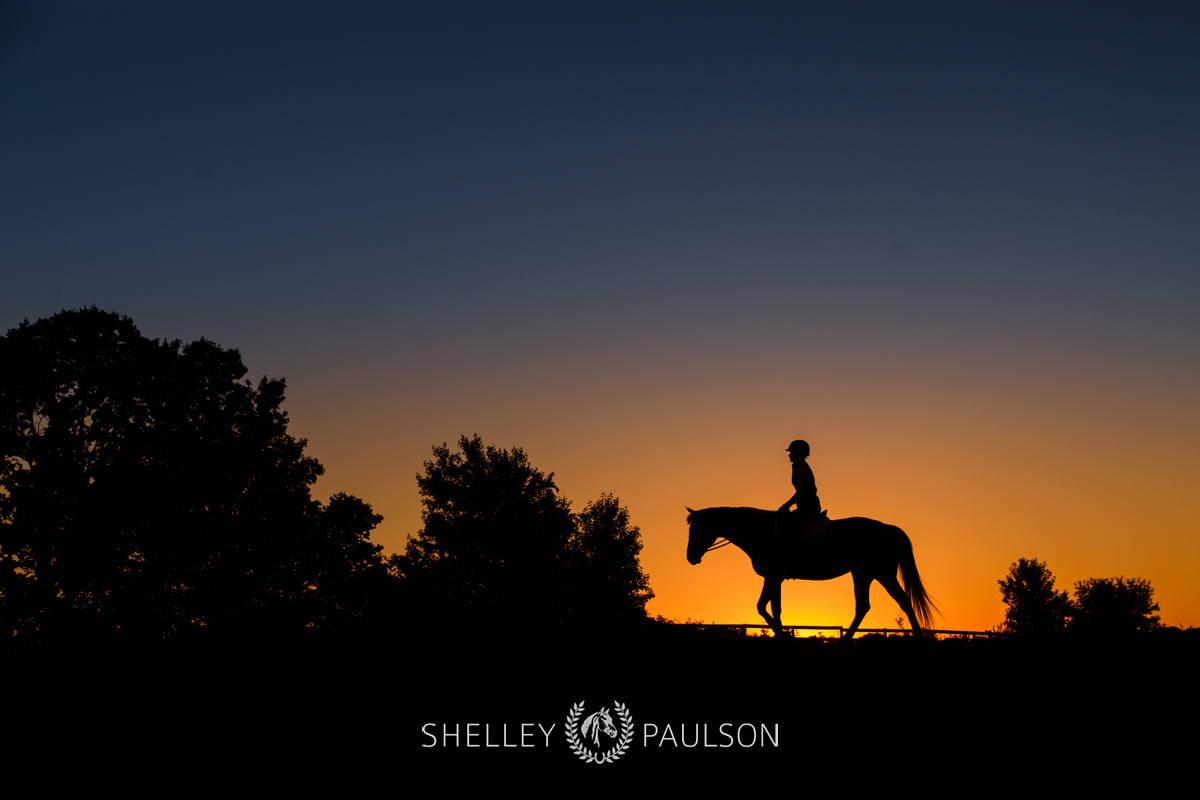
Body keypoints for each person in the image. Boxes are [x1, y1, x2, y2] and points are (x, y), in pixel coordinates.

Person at [777, 439, 822, 536]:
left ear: (798, 453)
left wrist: (786, 505)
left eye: (791, 452)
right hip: (805, 507)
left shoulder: (801, 469)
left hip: (808, 508)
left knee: (787, 527)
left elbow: (801, 492)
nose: (789, 455)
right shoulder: (799, 467)